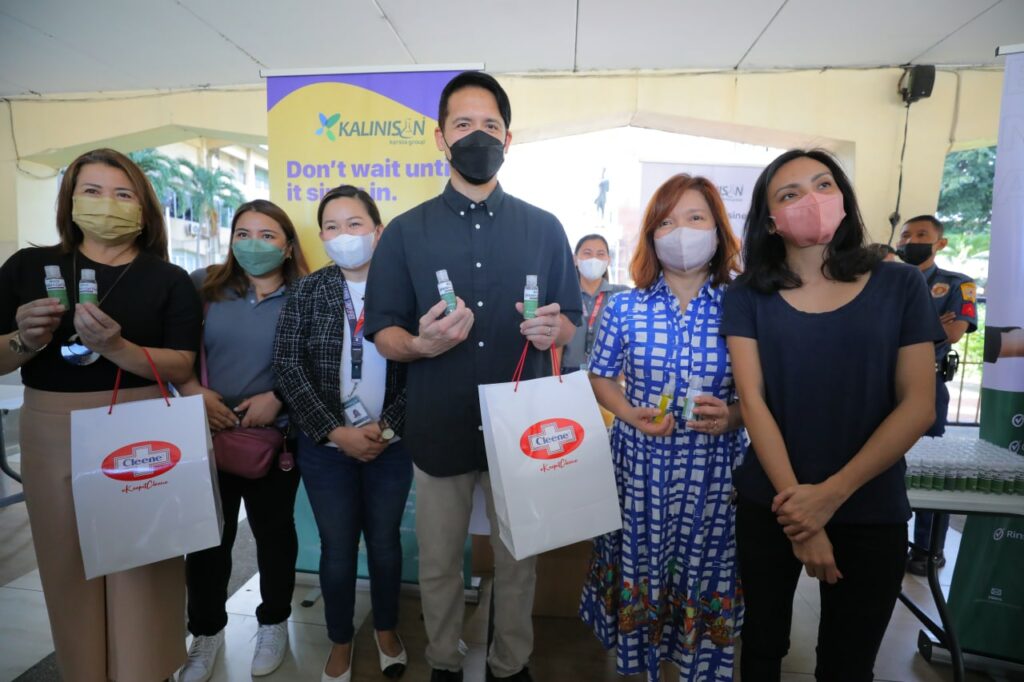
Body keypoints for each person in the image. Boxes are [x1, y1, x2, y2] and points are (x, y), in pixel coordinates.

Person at [363, 70, 583, 682]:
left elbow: (571, 320)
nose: (477, 136)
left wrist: (555, 331)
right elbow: (382, 331)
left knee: (518, 558)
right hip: (439, 422)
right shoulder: (405, 232)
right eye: (463, 124)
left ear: (508, 139)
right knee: (438, 560)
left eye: (490, 125)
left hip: (525, 426)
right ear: (441, 138)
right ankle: (443, 659)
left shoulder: (545, 228)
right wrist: (419, 343)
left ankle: (512, 663)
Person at [721, 149, 944, 682]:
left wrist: (829, 497)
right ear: (770, 220)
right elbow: (753, 401)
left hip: (869, 505)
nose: (812, 200)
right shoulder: (749, 294)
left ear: (843, 196)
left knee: (848, 663)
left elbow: (918, 405)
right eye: (790, 193)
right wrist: (800, 516)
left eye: (823, 185)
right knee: (761, 650)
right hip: (772, 503)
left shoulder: (899, 285)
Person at [0, 148, 202, 681]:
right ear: (69, 201)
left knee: (143, 563)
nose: (106, 203)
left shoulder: (168, 278)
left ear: (143, 207)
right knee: (66, 563)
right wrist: (25, 339)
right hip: (51, 430)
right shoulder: (27, 268)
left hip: (139, 425)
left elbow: (182, 363)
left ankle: (145, 670)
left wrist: (116, 347)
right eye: (91, 191)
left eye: (122, 193)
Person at [579, 174, 746, 681]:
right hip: (639, 466)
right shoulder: (624, 307)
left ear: (718, 230)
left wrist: (733, 416)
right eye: (667, 222)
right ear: (652, 235)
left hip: (713, 470)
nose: (682, 232)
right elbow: (600, 377)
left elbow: (761, 393)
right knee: (640, 560)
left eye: (695, 218)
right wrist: (629, 412)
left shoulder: (742, 306)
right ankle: (639, 665)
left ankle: (695, 663)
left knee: (704, 563)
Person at [273, 185, 410, 682]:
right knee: (336, 548)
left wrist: (387, 429)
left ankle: (387, 630)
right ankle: (340, 638)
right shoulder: (308, 291)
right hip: (326, 448)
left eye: (355, 224)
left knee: (385, 543)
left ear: (377, 230)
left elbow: (422, 367)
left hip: (390, 446)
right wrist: (334, 430)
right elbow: (288, 366)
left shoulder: (404, 289)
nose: (343, 235)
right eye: (332, 226)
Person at [176, 200, 310, 681]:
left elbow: (321, 361)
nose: (254, 244)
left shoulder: (306, 295)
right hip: (207, 436)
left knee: (274, 536)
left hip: (274, 441)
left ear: (288, 246)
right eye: (243, 233)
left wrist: (279, 397)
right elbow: (177, 352)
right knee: (208, 542)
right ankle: (206, 632)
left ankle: (273, 623)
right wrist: (194, 393)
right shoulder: (205, 287)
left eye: (267, 235)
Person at [895, 214, 978, 574]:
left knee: (929, 469)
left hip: (928, 384)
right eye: (906, 235)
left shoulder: (957, 284)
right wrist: (931, 327)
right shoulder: (886, 281)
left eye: (921, 235)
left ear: (940, 243)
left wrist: (901, 332)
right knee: (887, 466)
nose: (911, 241)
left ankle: (928, 550)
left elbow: (955, 331)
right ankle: (892, 543)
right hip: (884, 386)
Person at [560, 234, 627, 374]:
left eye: (600, 254)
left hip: (608, 376)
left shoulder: (621, 295)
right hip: (568, 375)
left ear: (608, 260)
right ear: (575, 259)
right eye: (587, 253)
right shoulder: (563, 295)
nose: (594, 259)